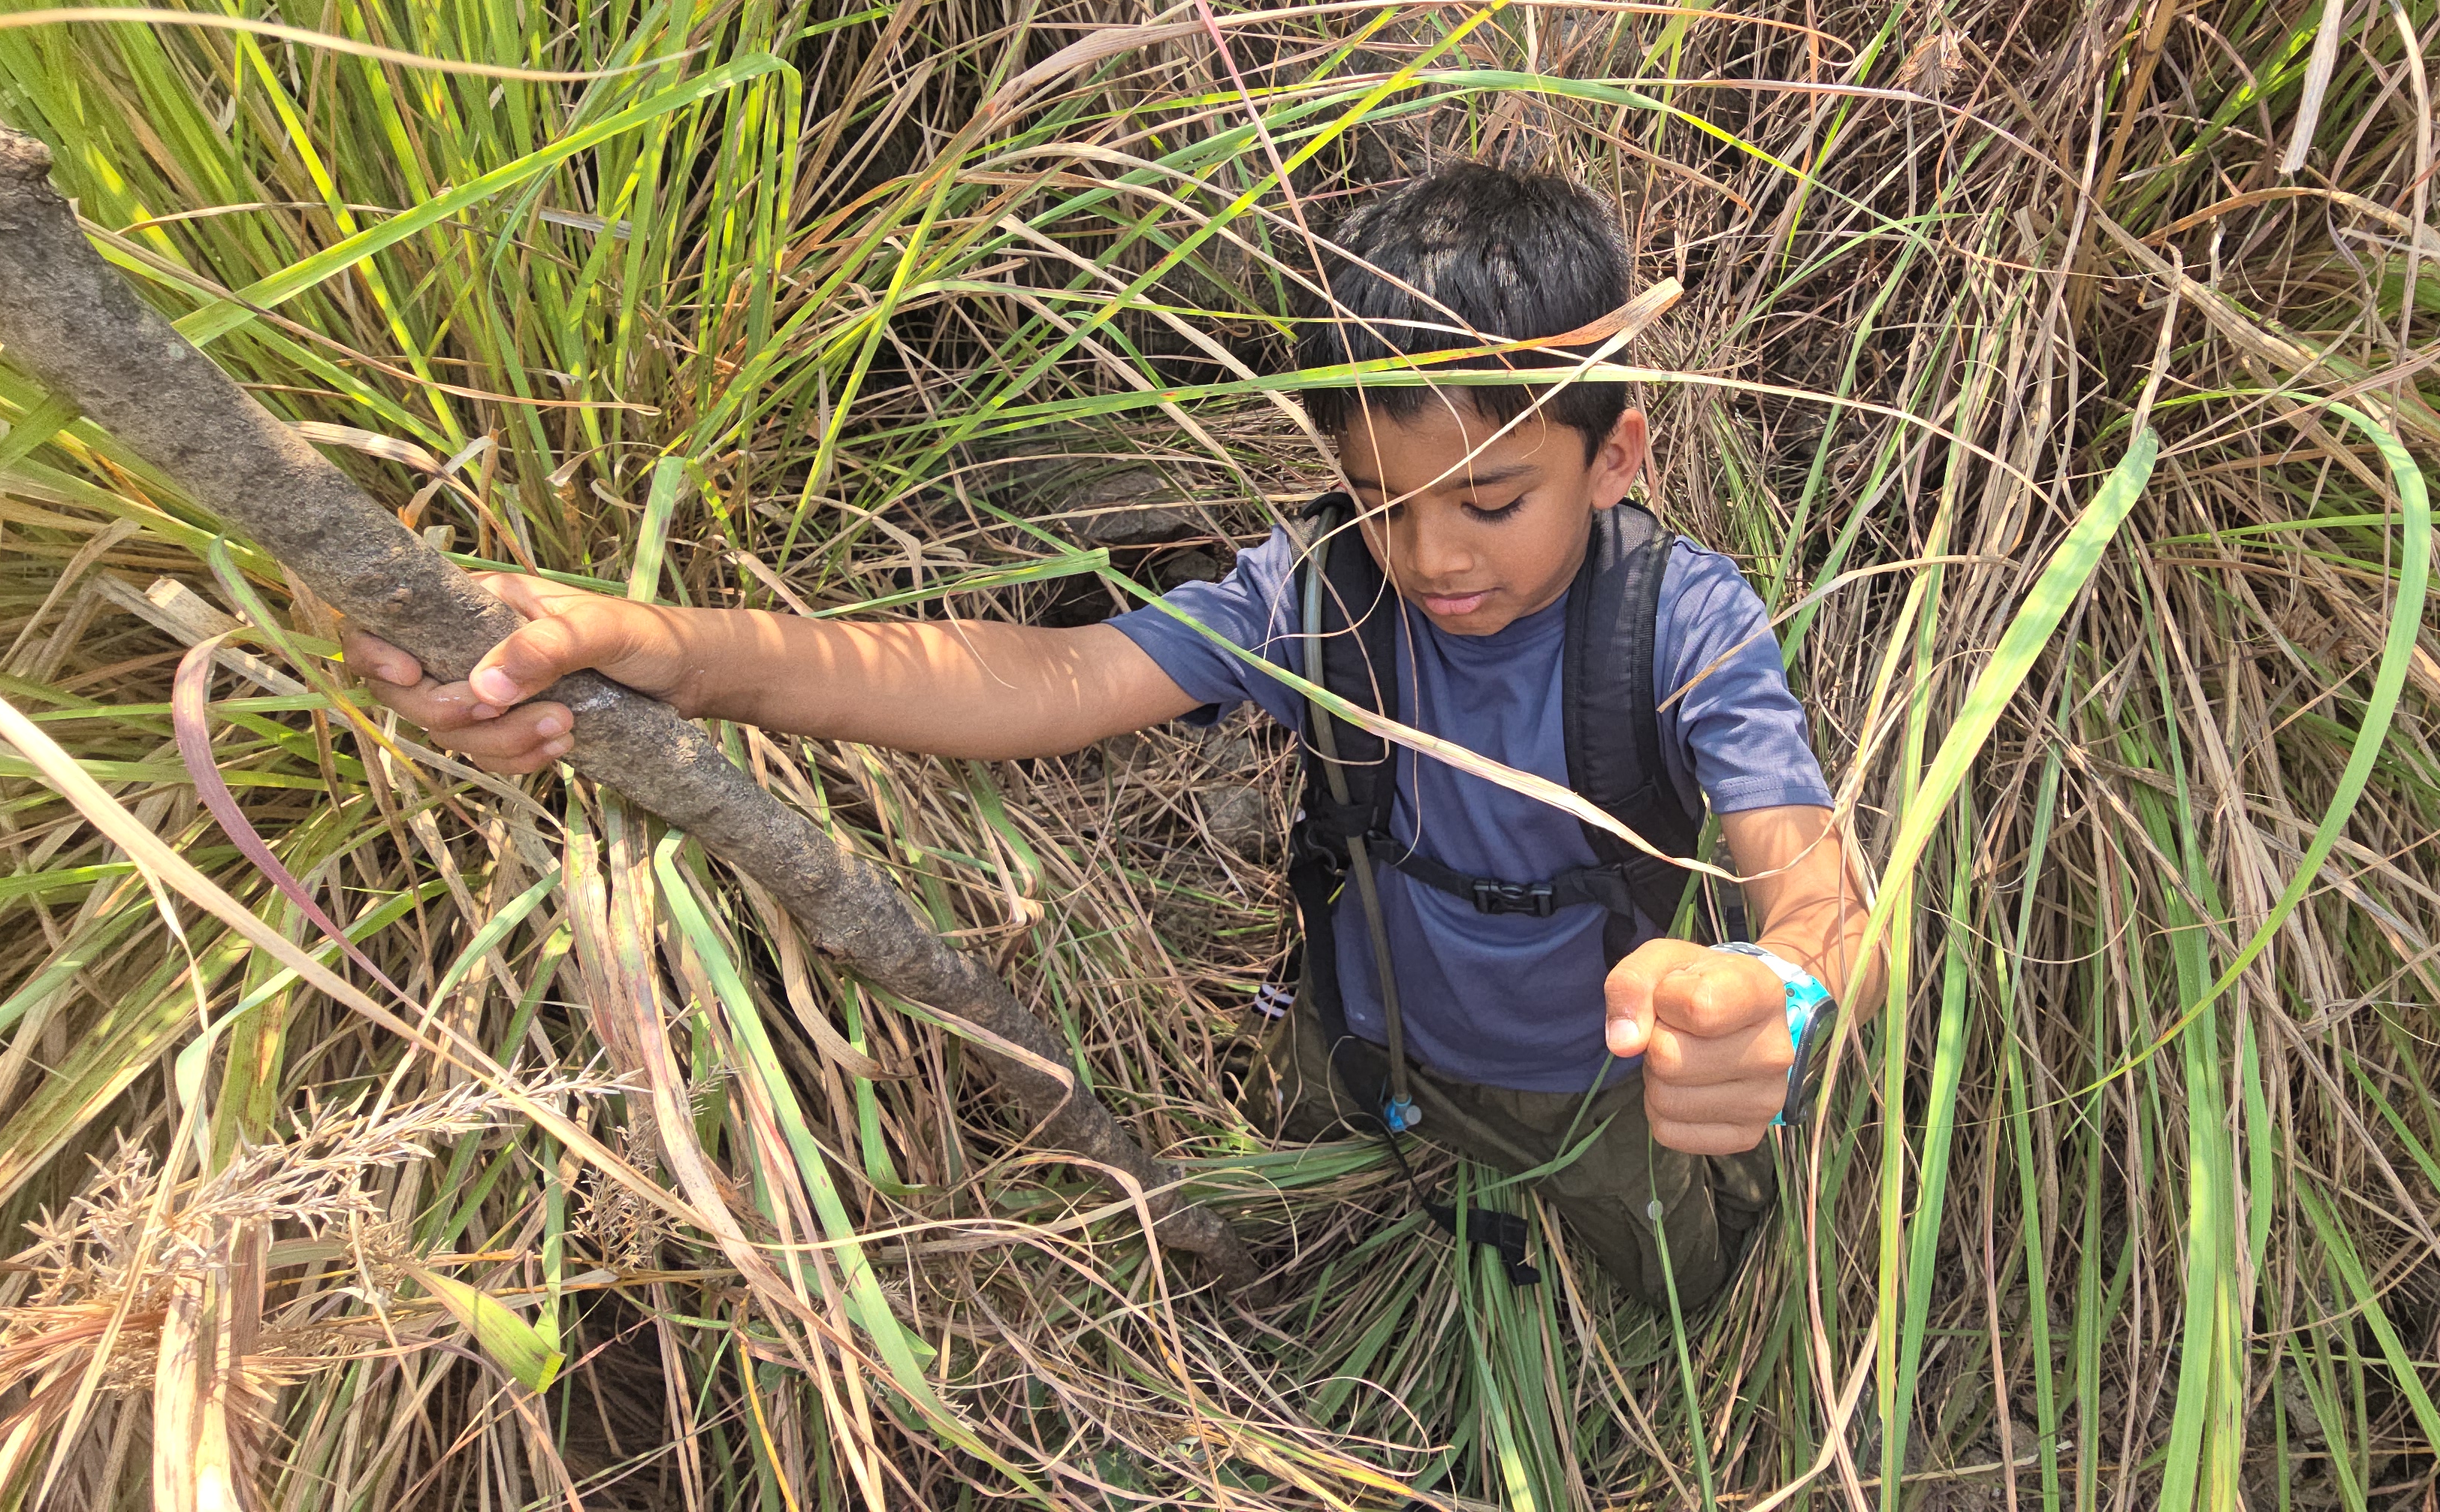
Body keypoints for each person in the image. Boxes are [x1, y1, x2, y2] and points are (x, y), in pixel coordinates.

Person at [345, 162, 1864, 1312]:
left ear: (1614, 457)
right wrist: (669, 649)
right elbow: (1048, 680)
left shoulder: (1679, 623)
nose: (1436, 560)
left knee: (1668, 1276)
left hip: (1601, 1088)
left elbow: (1815, 881)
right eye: (1385, 502)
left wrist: (1771, 993)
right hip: (1362, 1048)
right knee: (1349, 1211)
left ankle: (1662, 1366)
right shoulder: (1318, 591)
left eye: (1487, 501)